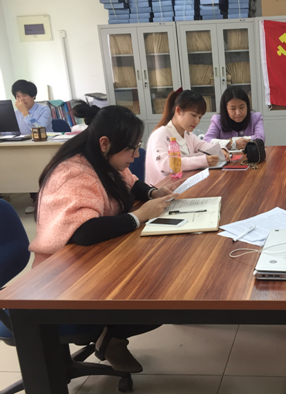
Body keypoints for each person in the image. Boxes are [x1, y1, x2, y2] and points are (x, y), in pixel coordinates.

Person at [29, 101, 176, 373]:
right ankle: (111, 339)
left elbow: (131, 181)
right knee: (154, 296)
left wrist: (152, 193)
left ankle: (110, 337)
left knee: (160, 280)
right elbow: (84, 231)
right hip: (63, 275)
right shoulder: (73, 172)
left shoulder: (101, 158)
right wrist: (139, 216)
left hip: (94, 258)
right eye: (132, 148)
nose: (136, 155)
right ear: (105, 143)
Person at [145, 89, 230, 185]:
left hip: (182, 184)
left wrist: (220, 150)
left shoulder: (187, 135)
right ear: (178, 111)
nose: (197, 121)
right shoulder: (159, 135)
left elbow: (204, 145)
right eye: (193, 115)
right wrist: (203, 160)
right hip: (162, 189)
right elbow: (164, 165)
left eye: (200, 117)